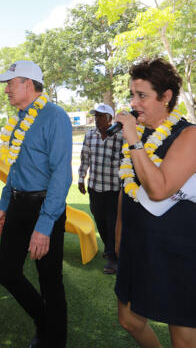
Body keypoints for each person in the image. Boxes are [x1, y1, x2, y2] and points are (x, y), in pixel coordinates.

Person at [113, 58, 196, 348]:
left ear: (166, 97)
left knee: (183, 340)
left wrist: (134, 140)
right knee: (130, 319)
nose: (134, 103)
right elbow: (129, 188)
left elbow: (159, 189)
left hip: (179, 252)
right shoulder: (142, 137)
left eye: (142, 96)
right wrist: (121, 238)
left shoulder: (189, 135)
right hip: (140, 246)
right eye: (132, 95)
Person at [0, 60, 72, 348]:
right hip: (16, 205)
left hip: (44, 207)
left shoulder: (55, 116)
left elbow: (62, 175)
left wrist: (45, 225)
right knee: (8, 274)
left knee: (50, 282)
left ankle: (55, 339)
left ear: (27, 83)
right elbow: (13, 169)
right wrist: (3, 205)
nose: (7, 91)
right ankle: (45, 322)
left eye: (10, 84)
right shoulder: (18, 120)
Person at [77, 103, 122, 275]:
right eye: (95, 116)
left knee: (112, 223)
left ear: (110, 118)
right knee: (100, 220)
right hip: (95, 186)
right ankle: (110, 248)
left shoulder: (121, 136)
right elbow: (85, 158)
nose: (96, 119)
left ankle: (113, 258)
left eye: (100, 116)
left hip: (114, 188)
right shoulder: (90, 135)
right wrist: (81, 178)